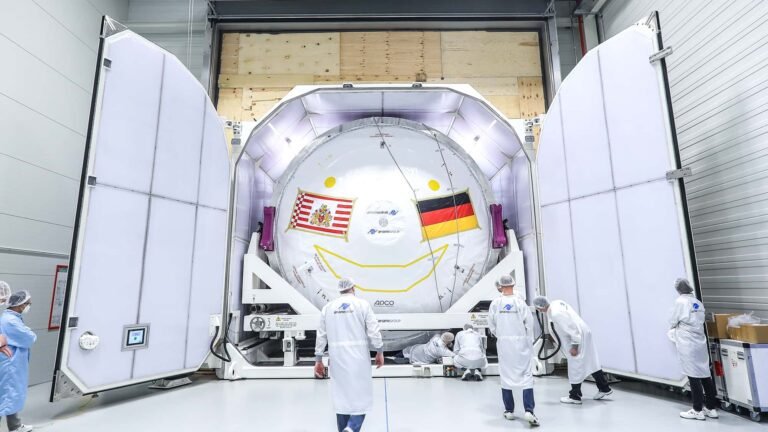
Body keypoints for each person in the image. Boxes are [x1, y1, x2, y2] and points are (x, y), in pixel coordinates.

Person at [314, 278, 384, 432]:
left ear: (340, 290)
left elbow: (321, 335)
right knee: (362, 396)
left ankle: (344, 429)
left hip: (337, 357)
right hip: (359, 357)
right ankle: (352, 427)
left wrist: (318, 359)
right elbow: (373, 330)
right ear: (353, 288)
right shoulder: (362, 305)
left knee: (341, 397)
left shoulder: (328, 307)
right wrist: (379, 350)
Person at [532, 295, 613, 404]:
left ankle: (575, 396)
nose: (538, 310)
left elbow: (572, 329)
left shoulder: (556, 313)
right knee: (591, 361)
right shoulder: (556, 303)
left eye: (537, 308)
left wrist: (575, 346)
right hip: (583, 333)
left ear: (540, 307)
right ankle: (604, 388)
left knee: (575, 365)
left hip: (576, 338)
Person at [489, 275, 540, 427]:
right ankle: (529, 411)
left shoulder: (495, 303)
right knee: (526, 376)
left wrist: (501, 336)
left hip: (504, 344)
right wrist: (528, 341)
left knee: (505, 376)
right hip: (521, 343)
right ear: (513, 284)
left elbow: (491, 324)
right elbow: (529, 324)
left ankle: (509, 411)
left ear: (500, 286)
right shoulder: (520, 303)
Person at [669, 278, 718, 420]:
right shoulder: (697, 302)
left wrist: (672, 330)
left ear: (678, 289)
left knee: (693, 376)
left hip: (687, 342)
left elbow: (673, 320)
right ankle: (711, 408)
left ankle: (697, 410)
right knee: (705, 374)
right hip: (700, 342)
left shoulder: (680, 302)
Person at [0, 289, 37, 432]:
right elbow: (29, 338)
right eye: (28, 304)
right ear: (20, 304)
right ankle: (14, 427)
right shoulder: (10, 321)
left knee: (11, 395)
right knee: (7, 395)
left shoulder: (11, 318)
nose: (28, 306)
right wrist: (30, 332)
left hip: (12, 362)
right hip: (10, 364)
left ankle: (15, 426)